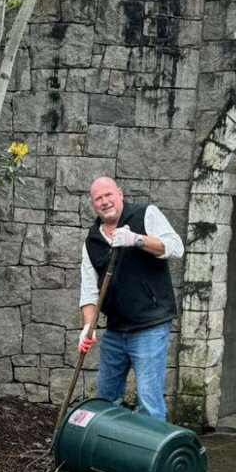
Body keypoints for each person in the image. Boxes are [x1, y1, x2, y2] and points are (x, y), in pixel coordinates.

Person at [78, 176, 184, 422]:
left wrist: (137, 240)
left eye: (108, 195)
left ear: (120, 193)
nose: (105, 202)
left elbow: (175, 247)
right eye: (98, 198)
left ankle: (150, 456)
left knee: (149, 400)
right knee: (105, 399)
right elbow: (89, 292)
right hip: (115, 330)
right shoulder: (92, 241)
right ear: (93, 204)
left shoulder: (145, 214)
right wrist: (87, 326)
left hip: (150, 326)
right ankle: (109, 452)